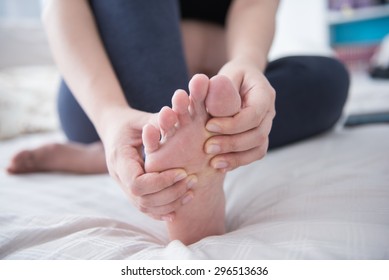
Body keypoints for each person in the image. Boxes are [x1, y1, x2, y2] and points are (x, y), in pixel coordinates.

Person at [6, 0, 349, 244]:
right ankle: (185, 181)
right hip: (106, 94)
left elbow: (253, 4)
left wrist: (246, 63)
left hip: (211, 78)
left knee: (328, 78)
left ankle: (138, 154)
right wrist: (108, 114)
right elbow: (61, 6)